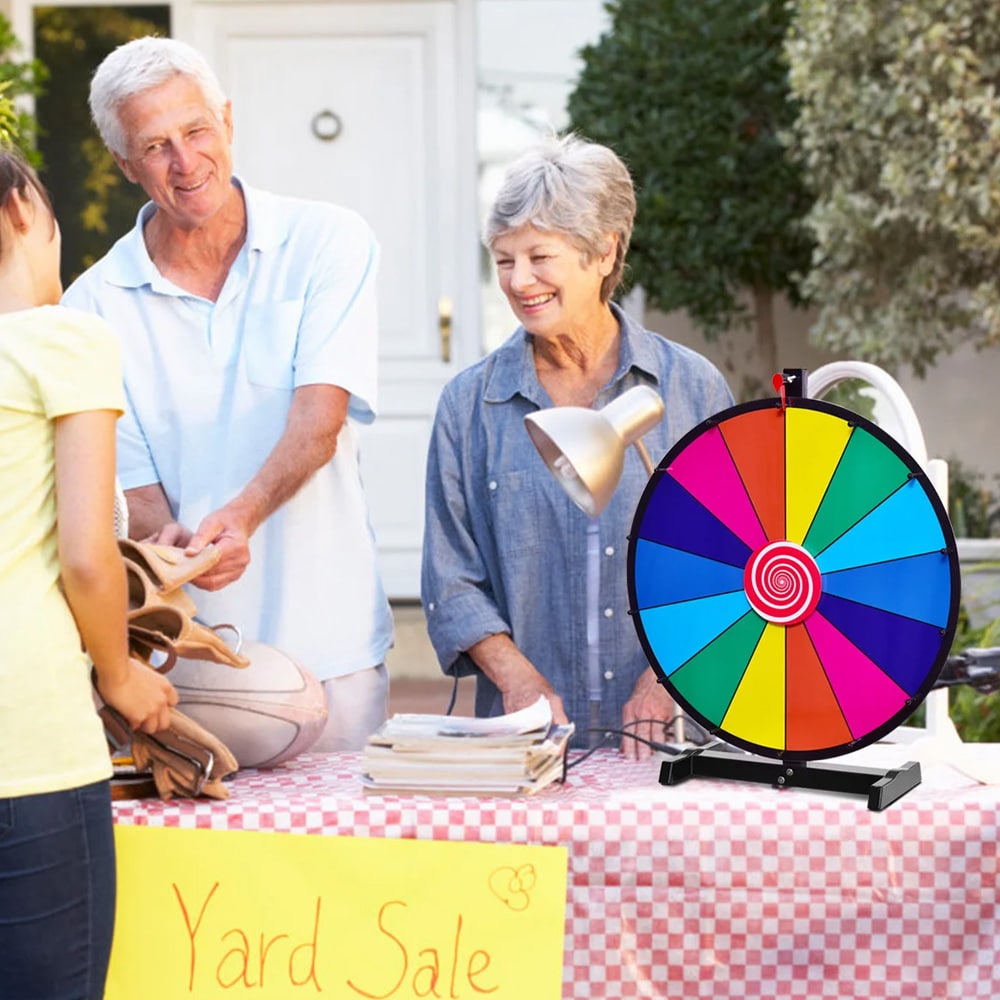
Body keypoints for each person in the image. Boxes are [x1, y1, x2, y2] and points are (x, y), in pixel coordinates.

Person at [63, 36, 394, 751]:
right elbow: (133, 488)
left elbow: (319, 421)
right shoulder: (90, 305)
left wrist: (240, 517)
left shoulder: (327, 242)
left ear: (229, 122)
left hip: (332, 646)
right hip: (190, 669)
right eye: (156, 146)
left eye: (196, 130)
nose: (186, 163)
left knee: (353, 863)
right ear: (125, 165)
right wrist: (165, 543)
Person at [421, 134, 734, 759]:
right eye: (504, 260)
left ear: (603, 251)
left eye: (540, 256)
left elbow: (736, 565)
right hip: (529, 745)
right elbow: (451, 579)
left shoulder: (691, 387)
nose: (519, 281)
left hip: (669, 741)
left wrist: (664, 682)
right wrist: (516, 678)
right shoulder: (468, 406)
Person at [0, 147, 177, 997]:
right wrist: (121, 675)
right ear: (20, 213)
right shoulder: (61, 336)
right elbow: (83, 554)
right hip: (27, 739)